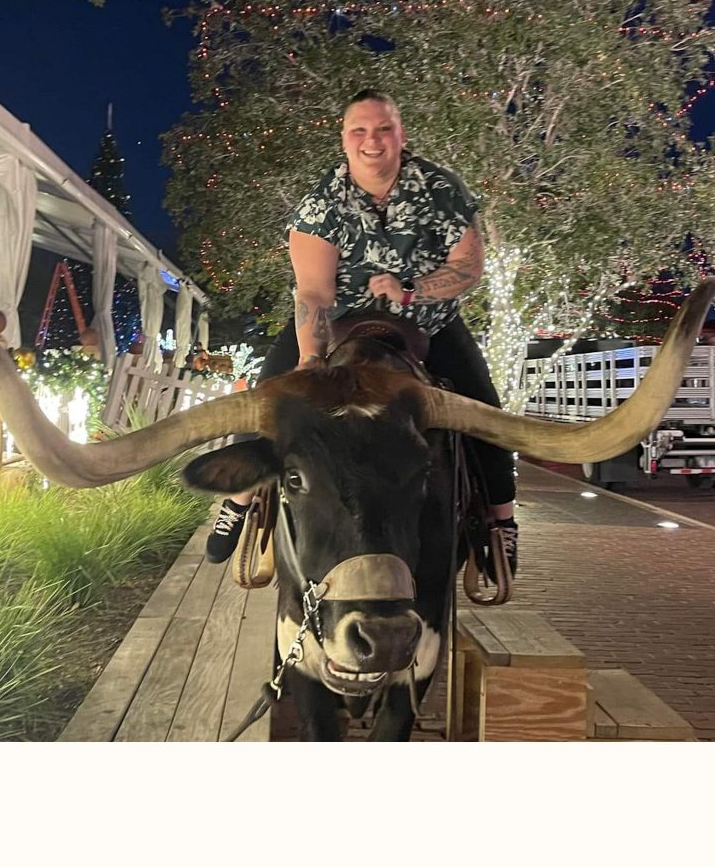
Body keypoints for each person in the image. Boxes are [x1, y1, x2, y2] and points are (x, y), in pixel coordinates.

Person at [207, 90, 518, 582]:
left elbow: (467, 266)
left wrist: (413, 289)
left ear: (401, 135)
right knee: (268, 403)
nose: (372, 141)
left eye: (383, 129)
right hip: (337, 324)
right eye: (360, 131)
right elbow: (312, 292)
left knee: (488, 414)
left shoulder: (442, 189)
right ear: (344, 140)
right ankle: (238, 501)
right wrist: (311, 361)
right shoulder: (322, 204)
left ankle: (501, 526)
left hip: (427, 323)